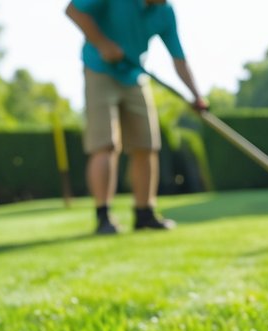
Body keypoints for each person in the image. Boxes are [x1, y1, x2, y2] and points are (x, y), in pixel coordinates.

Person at [65, 0, 207, 235]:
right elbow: (73, 10)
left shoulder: (165, 11)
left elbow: (178, 56)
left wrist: (196, 96)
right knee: (106, 143)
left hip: (134, 74)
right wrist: (102, 44)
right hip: (99, 69)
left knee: (147, 144)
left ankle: (145, 213)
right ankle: (103, 216)